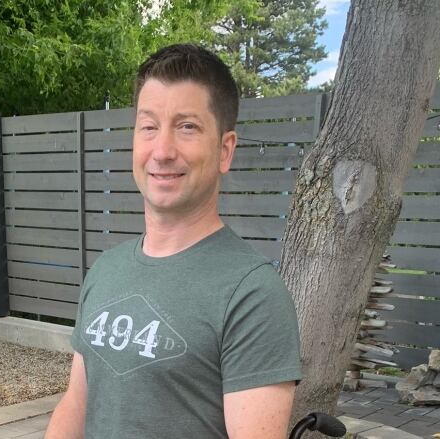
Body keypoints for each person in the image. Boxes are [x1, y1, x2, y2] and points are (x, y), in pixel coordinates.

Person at [45, 44, 302, 439]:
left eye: (187, 127)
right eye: (149, 126)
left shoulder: (252, 294)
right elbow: (76, 404)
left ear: (225, 150)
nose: (162, 151)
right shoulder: (105, 271)